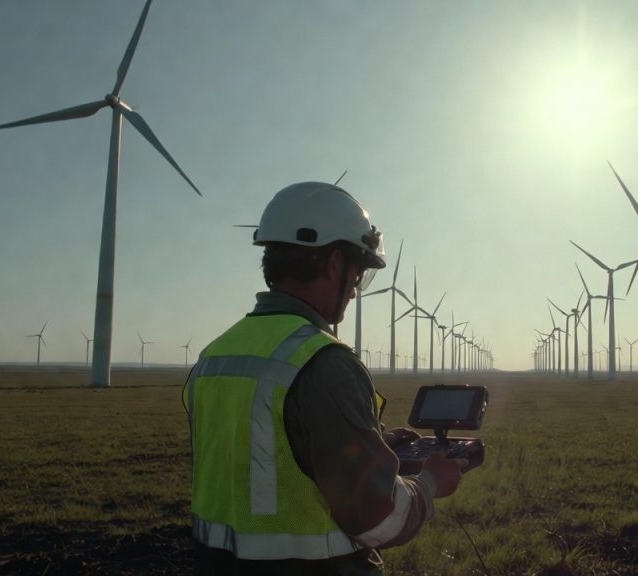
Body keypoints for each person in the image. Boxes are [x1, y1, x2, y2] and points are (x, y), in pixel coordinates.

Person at [183, 181, 468, 575]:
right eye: (358, 274)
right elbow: (379, 519)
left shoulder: (215, 355)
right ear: (335, 263)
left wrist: (363, 444)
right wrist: (431, 482)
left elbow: (260, 450)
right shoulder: (323, 362)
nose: (355, 291)